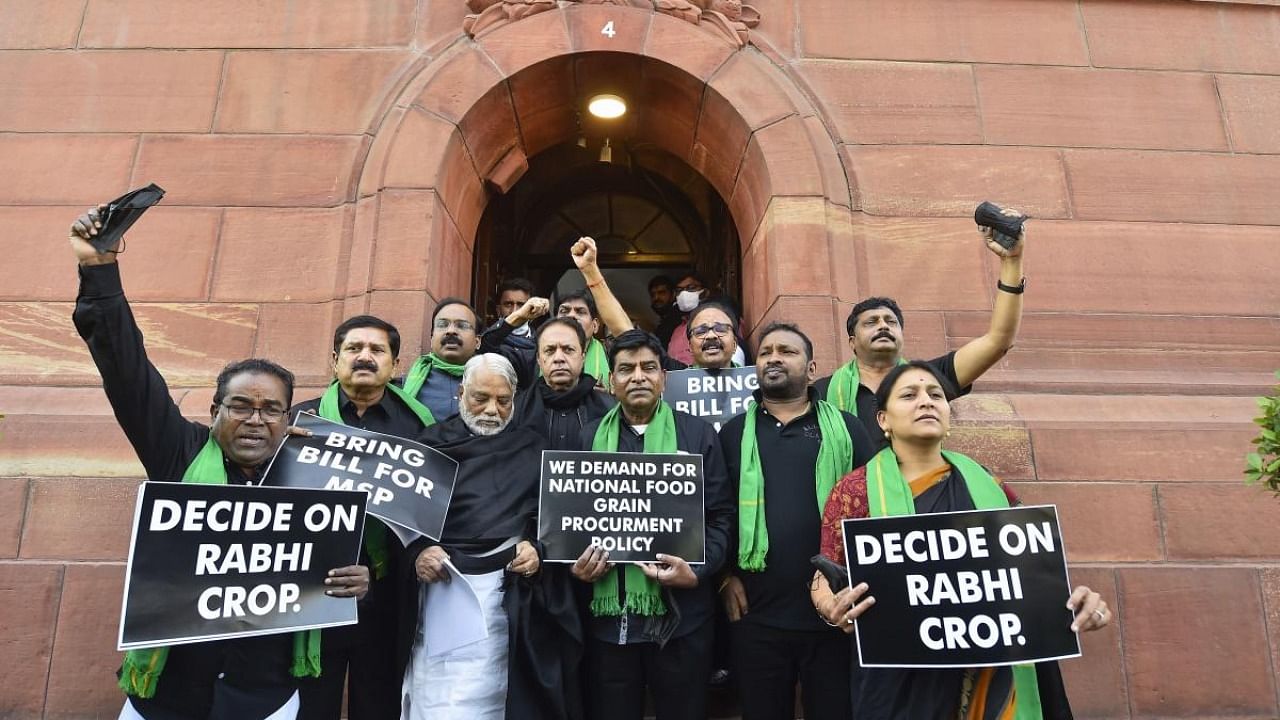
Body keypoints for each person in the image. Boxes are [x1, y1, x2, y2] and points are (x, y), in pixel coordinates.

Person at [66, 205, 369, 720]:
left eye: (272, 409)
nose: (256, 419)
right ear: (214, 412)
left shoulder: (316, 481)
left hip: (265, 698)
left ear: (288, 417)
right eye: (241, 406)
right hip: (165, 697)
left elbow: (339, 570)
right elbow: (126, 369)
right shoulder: (180, 452)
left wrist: (354, 581)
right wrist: (99, 269)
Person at [810, 361, 1111, 718]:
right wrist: (832, 608)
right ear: (883, 421)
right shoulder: (855, 490)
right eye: (909, 395)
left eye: (936, 394)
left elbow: (1030, 572)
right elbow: (824, 574)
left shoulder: (987, 484)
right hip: (900, 678)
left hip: (995, 670)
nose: (926, 401)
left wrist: (1077, 604)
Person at [398, 354, 578, 720]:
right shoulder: (429, 445)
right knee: (440, 700)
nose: (492, 409)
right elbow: (403, 517)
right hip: (442, 589)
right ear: (461, 392)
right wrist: (418, 550)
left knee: (501, 696)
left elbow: (552, 520)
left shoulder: (533, 449)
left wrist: (537, 549)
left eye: (503, 400)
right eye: (480, 398)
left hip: (507, 595)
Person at [571, 330, 733, 720]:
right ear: (611, 382)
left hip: (681, 619)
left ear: (664, 376)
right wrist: (576, 565)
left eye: (648, 367)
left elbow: (723, 516)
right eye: (625, 369)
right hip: (609, 623)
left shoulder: (697, 434)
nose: (638, 377)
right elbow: (570, 521)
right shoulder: (587, 437)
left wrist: (695, 571)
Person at [718, 322, 875, 720]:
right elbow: (715, 512)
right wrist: (723, 577)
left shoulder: (847, 428)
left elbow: (876, 504)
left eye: (786, 351)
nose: (773, 357)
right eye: (766, 351)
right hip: (757, 615)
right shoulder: (732, 433)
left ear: (811, 369)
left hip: (836, 616)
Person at [290, 315, 433, 720]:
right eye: (354, 349)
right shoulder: (299, 424)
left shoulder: (422, 429)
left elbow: (429, 520)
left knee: (379, 706)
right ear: (335, 359)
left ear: (395, 364)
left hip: (387, 598)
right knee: (310, 706)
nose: (365, 357)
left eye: (377, 350)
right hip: (310, 598)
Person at [816, 207, 1028, 445]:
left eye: (891, 322)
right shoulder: (820, 394)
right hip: (850, 483)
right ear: (852, 342)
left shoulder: (929, 378)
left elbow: (999, 341)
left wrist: (1012, 262)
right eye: (871, 322)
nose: (883, 326)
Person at [513, 317, 616, 451]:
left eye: (568, 350)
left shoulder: (608, 409)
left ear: (583, 357)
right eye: (550, 350)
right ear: (538, 359)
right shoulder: (517, 409)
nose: (559, 358)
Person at [401, 298, 482, 421]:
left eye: (462, 325)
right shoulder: (403, 387)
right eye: (442, 325)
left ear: (477, 342)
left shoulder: (495, 383)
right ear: (431, 339)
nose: (451, 331)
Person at [481, 278, 552, 389]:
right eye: (508, 304)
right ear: (498, 310)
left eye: (521, 305)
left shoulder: (544, 341)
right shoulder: (490, 339)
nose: (515, 311)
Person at [555, 288, 611, 383]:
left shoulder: (611, 355)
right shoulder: (537, 354)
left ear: (595, 325)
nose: (571, 315)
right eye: (564, 311)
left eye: (580, 312)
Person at [648, 274, 680, 347]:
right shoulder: (665, 319)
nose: (656, 298)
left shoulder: (678, 318)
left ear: (673, 294)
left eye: (661, 293)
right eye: (653, 294)